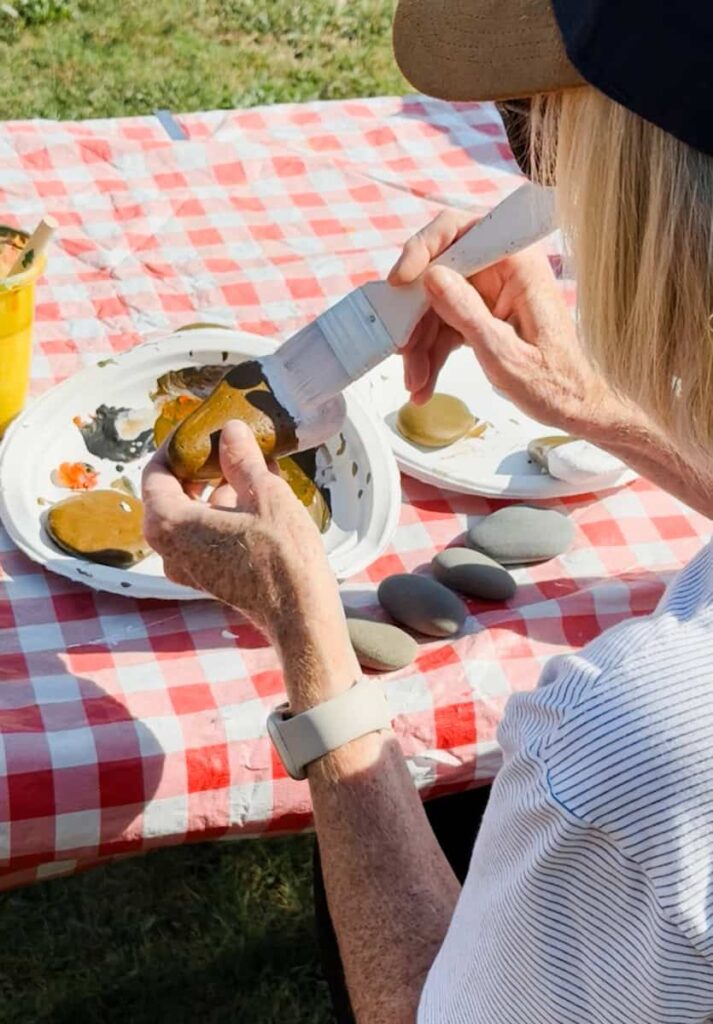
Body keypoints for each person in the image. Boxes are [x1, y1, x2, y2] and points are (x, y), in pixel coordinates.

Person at [142, 1, 713, 1020]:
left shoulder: (623, 743)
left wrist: (307, 636)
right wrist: (606, 414)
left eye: (536, 124)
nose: (539, 183)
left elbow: (422, 1007)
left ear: (654, 202)